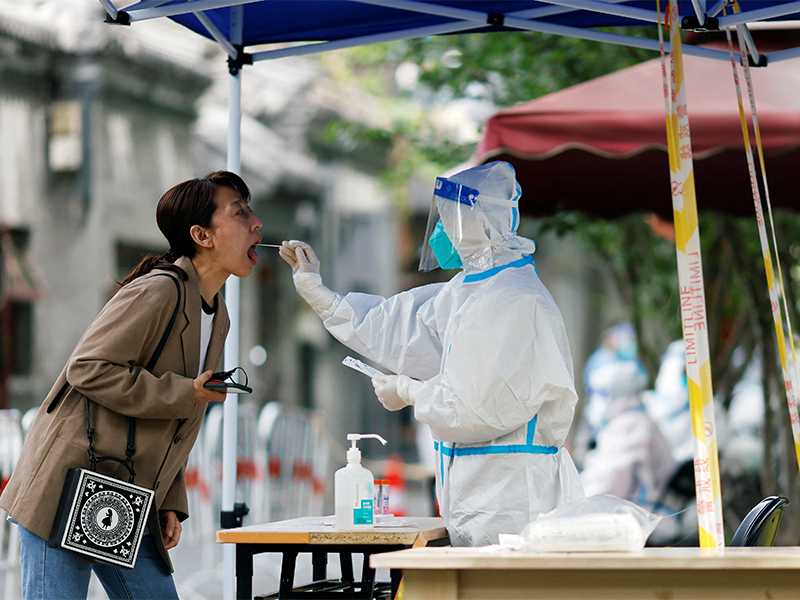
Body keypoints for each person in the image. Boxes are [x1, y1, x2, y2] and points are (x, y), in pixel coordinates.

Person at [280, 161, 583, 546]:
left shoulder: (514, 300)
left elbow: (475, 409)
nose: (441, 231)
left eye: (449, 218)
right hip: (475, 497)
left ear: (479, 222)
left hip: (513, 501)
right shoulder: (468, 291)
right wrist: (319, 293)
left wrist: (407, 390)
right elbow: (396, 327)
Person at [0, 171, 263, 599]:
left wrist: (169, 499)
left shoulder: (218, 314)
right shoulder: (159, 291)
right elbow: (87, 368)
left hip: (124, 497)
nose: (256, 223)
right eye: (240, 213)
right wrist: (185, 391)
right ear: (202, 235)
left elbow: (178, 423)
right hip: (64, 487)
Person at [580, 360, 675, 512]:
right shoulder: (634, 420)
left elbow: (609, 485)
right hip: (638, 511)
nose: (594, 402)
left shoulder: (630, 426)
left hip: (641, 515)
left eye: (599, 394)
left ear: (617, 395)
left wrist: (572, 501)